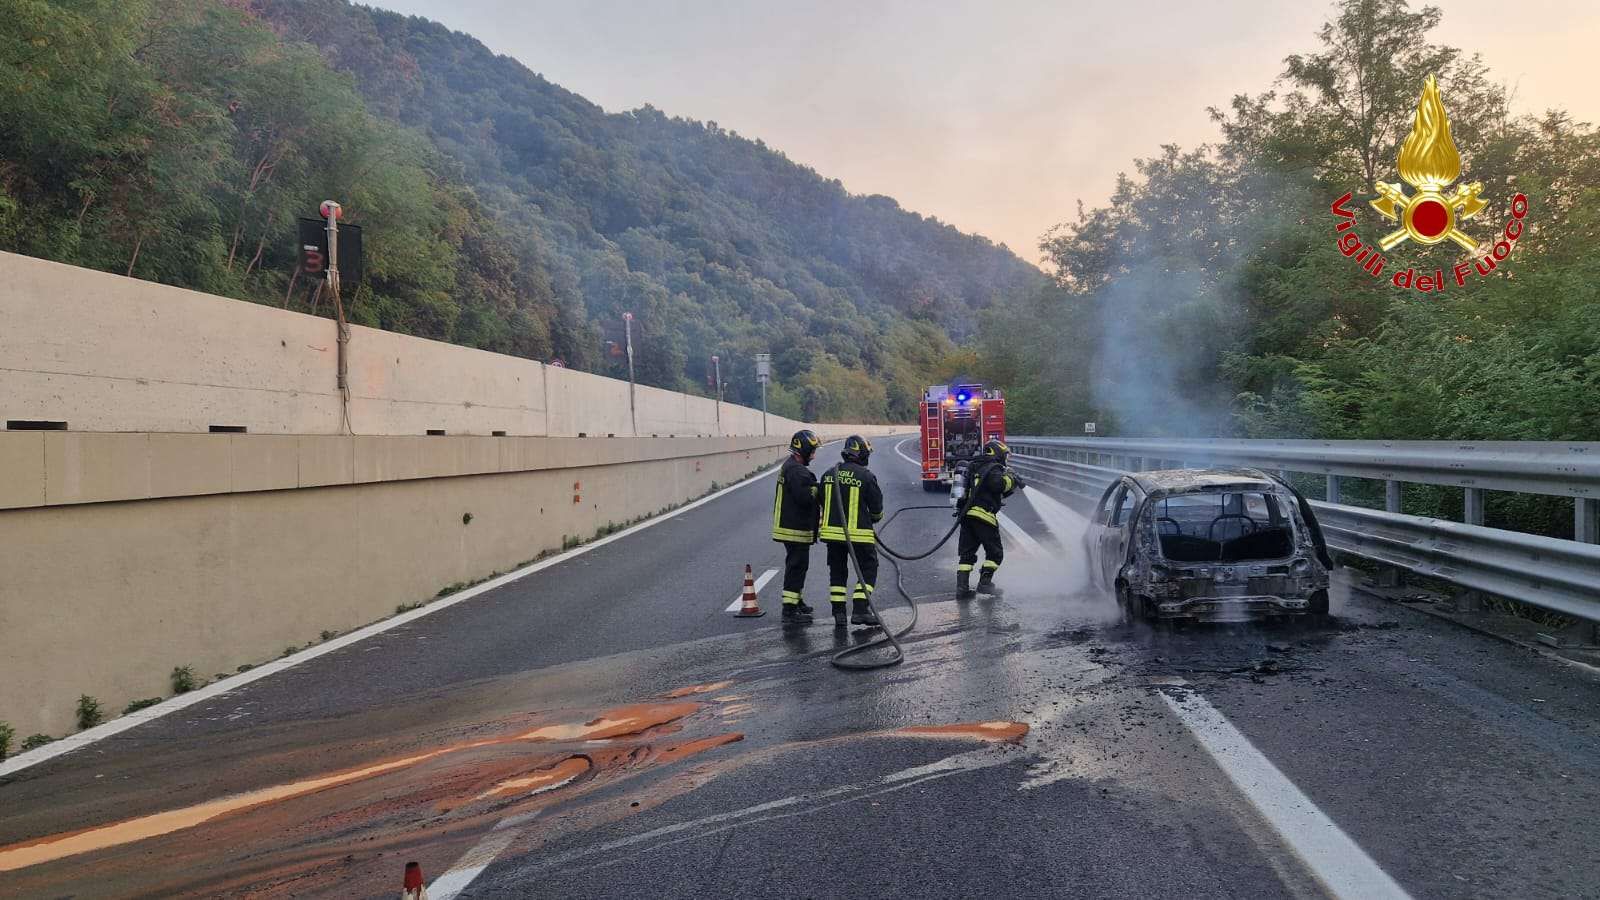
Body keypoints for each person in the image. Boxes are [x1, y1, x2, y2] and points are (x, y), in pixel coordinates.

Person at [819, 435, 884, 628]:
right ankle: (860, 609)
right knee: (869, 567)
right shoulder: (866, 476)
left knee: (838, 572)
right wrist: (874, 518)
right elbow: (877, 508)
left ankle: (839, 614)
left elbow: (822, 500)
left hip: (832, 534)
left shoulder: (829, 474)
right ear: (862, 455)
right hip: (859, 534)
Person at [957, 438, 1023, 599]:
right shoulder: (994, 468)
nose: (1005, 459)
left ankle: (962, 589)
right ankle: (985, 584)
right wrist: (1011, 478)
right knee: (995, 553)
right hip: (983, 515)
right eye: (1005, 455)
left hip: (967, 516)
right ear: (998, 453)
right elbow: (998, 485)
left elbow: (995, 490)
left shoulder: (975, 465)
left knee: (967, 555)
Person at [772, 429, 823, 623]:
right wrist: (818, 488)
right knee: (796, 567)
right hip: (794, 528)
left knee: (799, 566)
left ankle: (797, 601)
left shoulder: (791, 466)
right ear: (804, 449)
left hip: (793, 526)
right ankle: (789, 611)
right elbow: (804, 497)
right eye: (812, 451)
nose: (814, 455)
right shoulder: (796, 470)